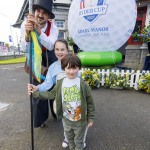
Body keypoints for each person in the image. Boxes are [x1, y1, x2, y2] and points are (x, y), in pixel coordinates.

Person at [28, 54, 95, 150]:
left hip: (80, 121)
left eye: (74, 68)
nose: (71, 72)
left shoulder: (83, 84)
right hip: (67, 120)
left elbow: (90, 102)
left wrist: (91, 118)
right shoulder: (60, 83)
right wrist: (34, 94)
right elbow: (51, 94)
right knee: (71, 141)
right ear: (64, 68)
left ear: (79, 68)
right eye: (68, 68)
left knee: (79, 142)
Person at [21, 0, 58, 128]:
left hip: (49, 55)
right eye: (38, 11)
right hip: (33, 56)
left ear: (48, 16)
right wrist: (27, 34)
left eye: (44, 13)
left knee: (54, 84)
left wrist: (38, 31)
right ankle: (40, 119)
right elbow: (24, 47)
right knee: (37, 87)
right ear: (34, 11)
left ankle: (56, 111)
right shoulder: (25, 24)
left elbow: (50, 45)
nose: (40, 15)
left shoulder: (54, 27)